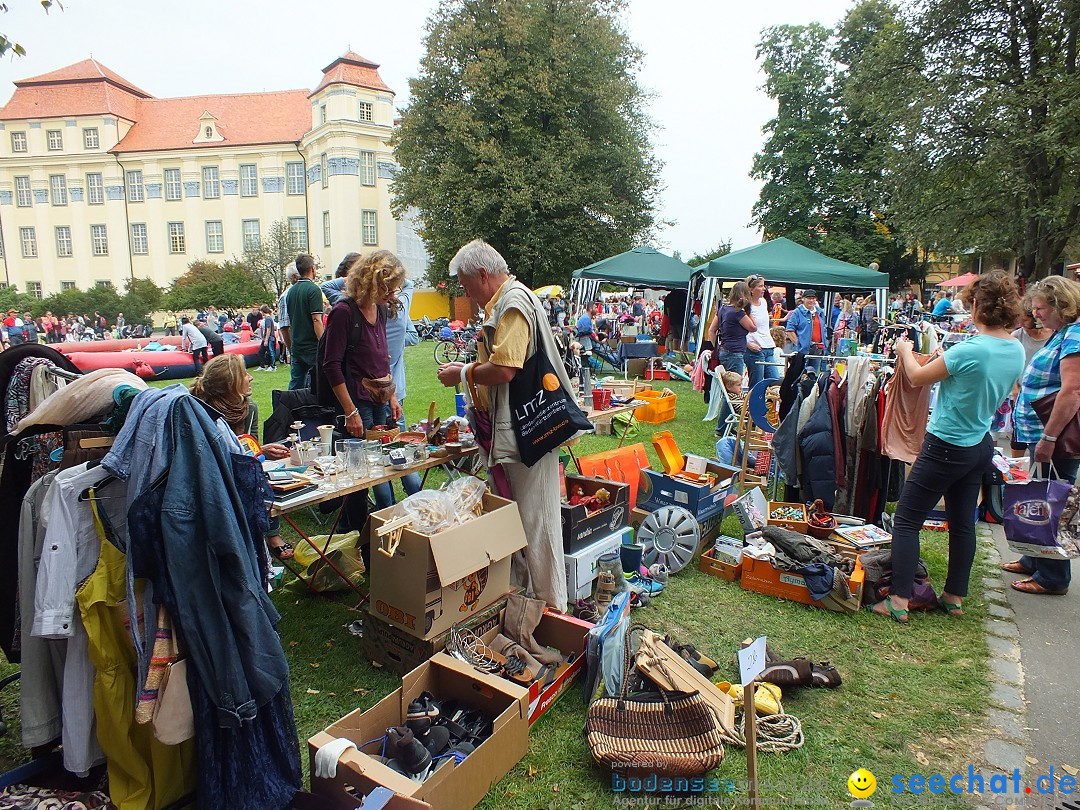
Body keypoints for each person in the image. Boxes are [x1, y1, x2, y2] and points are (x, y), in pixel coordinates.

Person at [868, 270, 1025, 622]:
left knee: (907, 519)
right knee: (962, 522)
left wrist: (905, 350)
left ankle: (899, 600)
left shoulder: (971, 348)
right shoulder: (1015, 349)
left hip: (946, 444)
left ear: (977, 307)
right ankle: (954, 596)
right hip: (979, 445)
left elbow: (916, 376)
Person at [436, 239, 571, 610]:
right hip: (519, 430)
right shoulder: (509, 300)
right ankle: (533, 602)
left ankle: (551, 608)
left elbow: (506, 369)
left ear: (483, 275)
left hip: (526, 431)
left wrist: (462, 373)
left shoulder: (512, 304)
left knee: (536, 521)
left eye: (466, 285)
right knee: (525, 518)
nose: (466, 294)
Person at [1003, 276, 1080, 596]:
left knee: (1051, 503)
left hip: (1055, 437)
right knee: (1038, 498)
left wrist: (1048, 439)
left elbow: (1072, 391)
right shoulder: (1065, 333)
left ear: (1061, 305)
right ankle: (1034, 558)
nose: (1036, 315)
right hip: (1042, 432)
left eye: (1040, 308)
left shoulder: (1074, 335)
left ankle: (1053, 576)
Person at [189, 353, 294, 559]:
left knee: (258, 476)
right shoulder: (203, 413)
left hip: (241, 470)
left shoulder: (249, 407)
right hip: (214, 480)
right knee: (255, 482)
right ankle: (262, 540)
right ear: (230, 384)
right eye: (245, 374)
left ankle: (270, 535)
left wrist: (262, 450)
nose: (251, 377)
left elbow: (248, 444)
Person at [284, 254, 325, 390]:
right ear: (313, 269)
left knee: (296, 384)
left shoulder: (290, 292)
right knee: (319, 385)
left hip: (297, 346)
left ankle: (290, 409)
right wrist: (324, 344)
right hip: (312, 347)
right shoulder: (313, 290)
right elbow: (316, 319)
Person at [707, 282, 755, 377]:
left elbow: (711, 330)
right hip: (735, 353)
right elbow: (753, 327)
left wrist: (717, 347)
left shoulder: (722, 309)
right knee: (734, 383)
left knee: (725, 382)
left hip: (724, 350)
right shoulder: (738, 312)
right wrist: (748, 311)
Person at [784, 289, 827, 367]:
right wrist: (799, 344)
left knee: (814, 375)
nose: (811, 300)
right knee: (799, 374)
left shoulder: (820, 312)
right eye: (809, 298)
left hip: (818, 349)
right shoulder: (797, 312)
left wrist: (825, 343)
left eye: (813, 298)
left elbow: (824, 328)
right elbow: (789, 330)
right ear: (803, 299)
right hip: (802, 351)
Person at [257, 305, 277, 371]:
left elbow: (268, 329)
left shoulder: (268, 319)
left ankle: (272, 366)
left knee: (270, 352)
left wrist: (266, 340)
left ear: (263, 311)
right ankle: (262, 366)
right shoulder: (267, 318)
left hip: (269, 338)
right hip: (267, 338)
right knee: (261, 352)